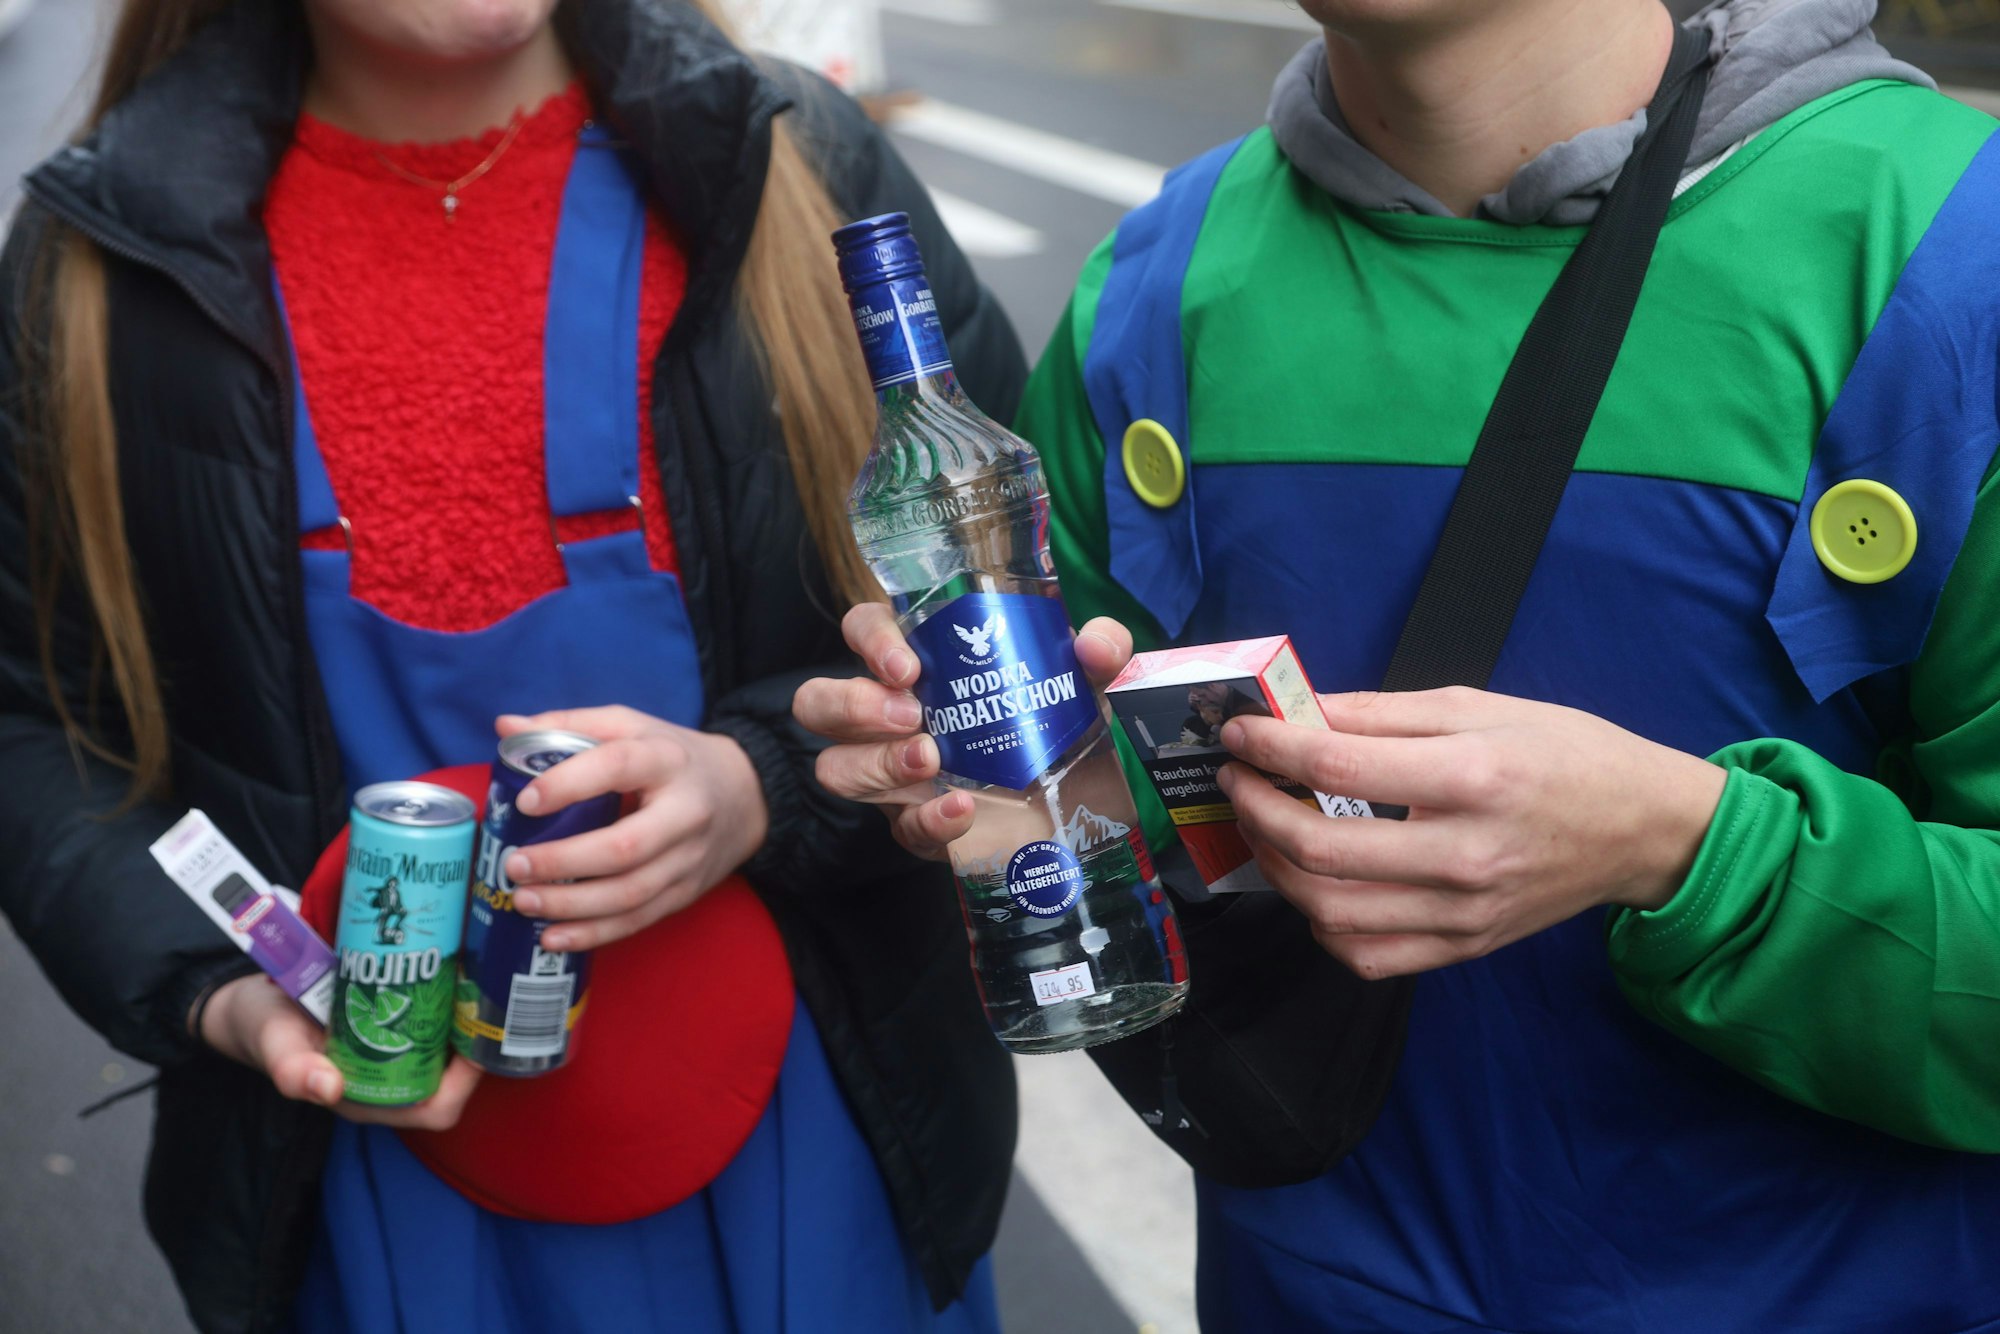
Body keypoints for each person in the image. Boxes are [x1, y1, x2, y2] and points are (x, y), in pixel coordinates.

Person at [797, 0, 2000, 1328]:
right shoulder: (1155, 287)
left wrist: (1681, 848)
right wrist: (987, 776)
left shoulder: (1955, 253)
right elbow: (1115, 825)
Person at [0, 1, 1026, 1331]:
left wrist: (773, 778)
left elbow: (1009, 619)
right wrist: (215, 988)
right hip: (360, 1175)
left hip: (826, 1141)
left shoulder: (793, 170)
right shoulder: (102, 267)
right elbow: (31, 719)